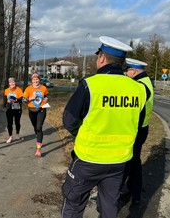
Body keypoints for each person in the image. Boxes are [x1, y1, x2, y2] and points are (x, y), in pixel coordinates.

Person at [61, 36, 150, 218]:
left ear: (101, 57)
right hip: (119, 161)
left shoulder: (90, 85)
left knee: (73, 204)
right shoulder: (139, 89)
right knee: (109, 205)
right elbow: (139, 124)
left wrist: (83, 133)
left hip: (88, 159)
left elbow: (69, 120)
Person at [120, 58, 154, 204]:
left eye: (127, 70)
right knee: (134, 163)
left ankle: (115, 192)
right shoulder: (146, 82)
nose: (125, 73)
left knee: (128, 163)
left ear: (134, 71)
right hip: (142, 129)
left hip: (136, 130)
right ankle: (134, 194)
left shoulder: (139, 85)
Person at [23, 73, 49, 157]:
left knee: (39, 127)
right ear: (32, 81)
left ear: (39, 80)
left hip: (41, 110)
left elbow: (46, 96)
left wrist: (46, 99)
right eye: (34, 79)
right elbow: (24, 100)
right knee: (35, 127)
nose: (35, 81)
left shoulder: (43, 88)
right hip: (31, 110)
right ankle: (38, 137)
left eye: (37, 79)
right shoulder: (28, 89)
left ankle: (38, 149)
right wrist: (31, 98)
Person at [3, 77, 24, 143]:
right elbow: (5, 99)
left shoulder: (19, 90)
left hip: (17, 108)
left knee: (17, 122)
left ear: (15, 83)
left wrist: (15, 100)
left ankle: (17, 134)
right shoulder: (6, 90)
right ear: (9, 83)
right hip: (9, 108)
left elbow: (21, 99)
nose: (12, 83)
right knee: (9, 123)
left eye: (13, 82)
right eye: (11, 82)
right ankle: (10, 136)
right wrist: (6, 103)